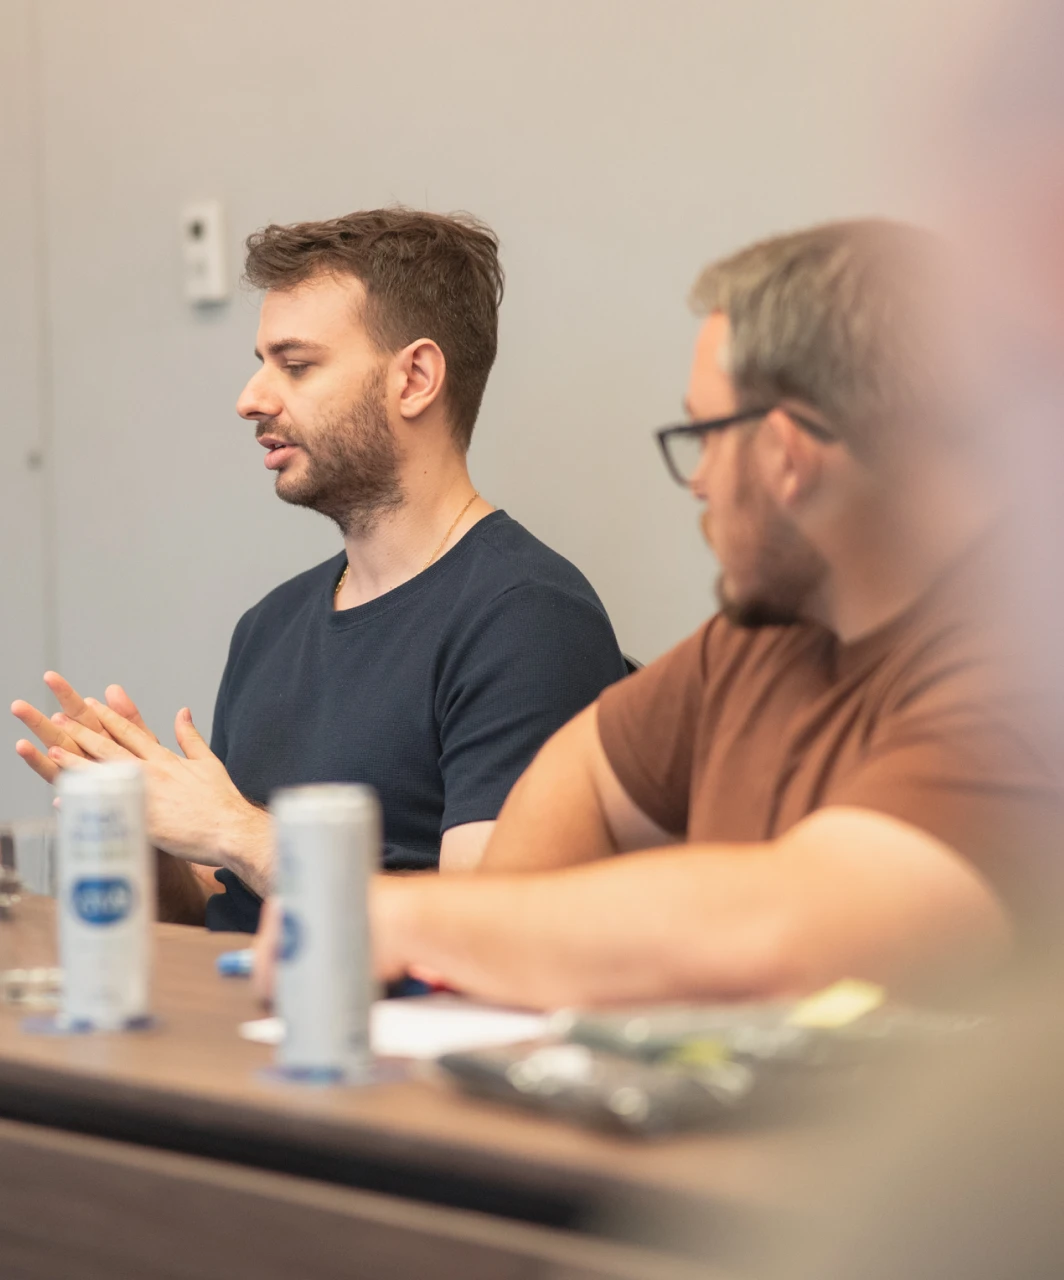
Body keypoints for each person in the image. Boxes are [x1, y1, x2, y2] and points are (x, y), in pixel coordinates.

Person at [350, 218, 1064, 1010]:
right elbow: (580, 777)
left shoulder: (1028, 678)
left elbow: (791, 938)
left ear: (786, 456)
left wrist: (425, 919)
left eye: (703, 437)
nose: (697, 484)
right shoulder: (762, 636)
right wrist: (483, 938)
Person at [12, 208, 626, 929]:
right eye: (260, 363)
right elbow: (229, 911)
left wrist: (234, 830)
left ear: (415, 379)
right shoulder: (269, 627)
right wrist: (141, 826)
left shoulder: (528, 618)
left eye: (296, 366)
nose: (252, 399)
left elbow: (492, 926)